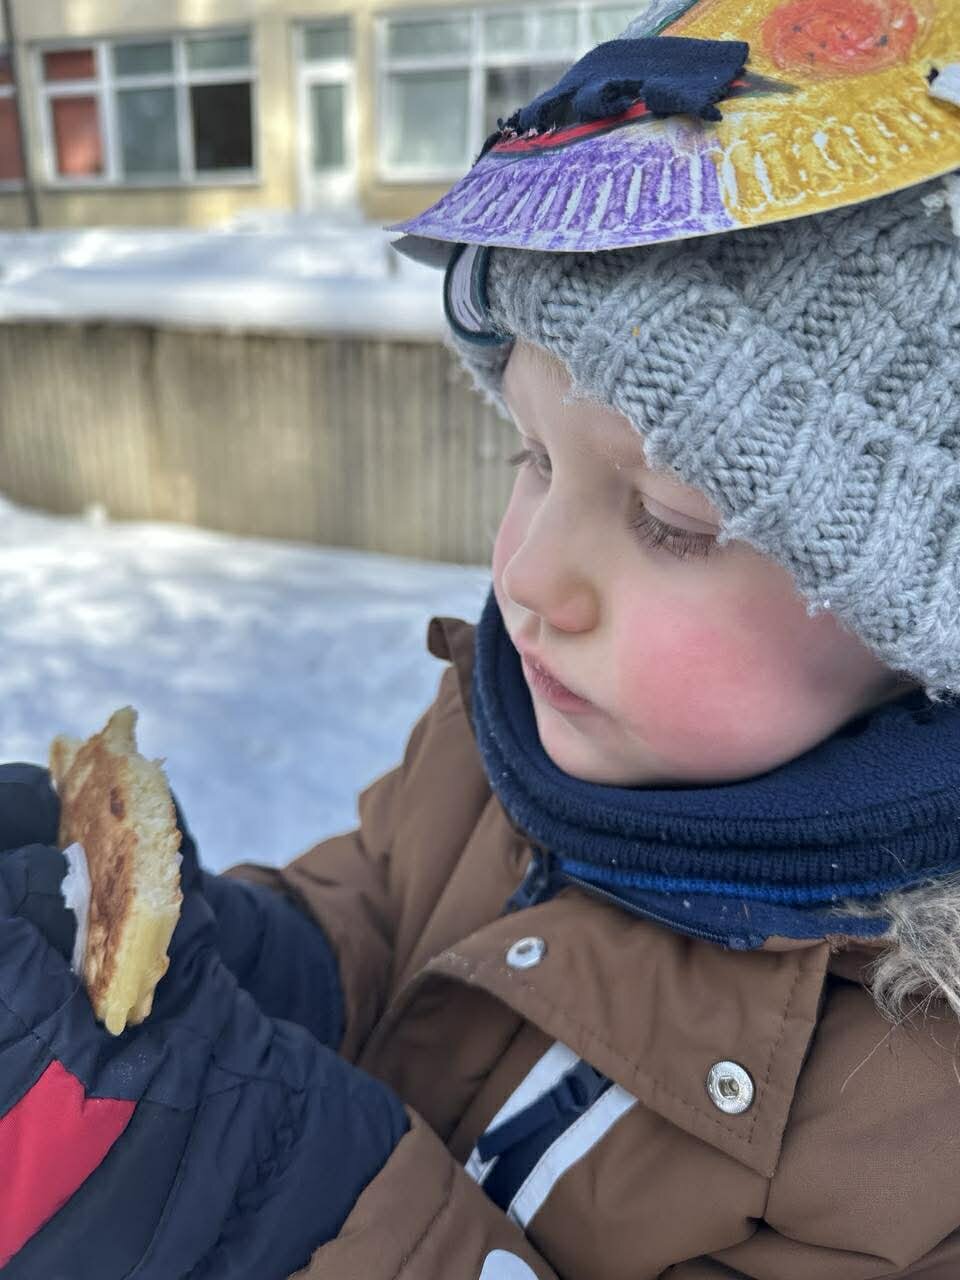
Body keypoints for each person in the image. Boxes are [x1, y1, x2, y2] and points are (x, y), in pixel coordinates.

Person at [4, 5, 960, 1277]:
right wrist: (206, 967)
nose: (526, 579)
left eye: (671, 520)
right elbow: (374, 913)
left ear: (918, 606)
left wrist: (237, 1194)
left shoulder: (915, 1125)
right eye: (533, 456)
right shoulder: (497, 732)